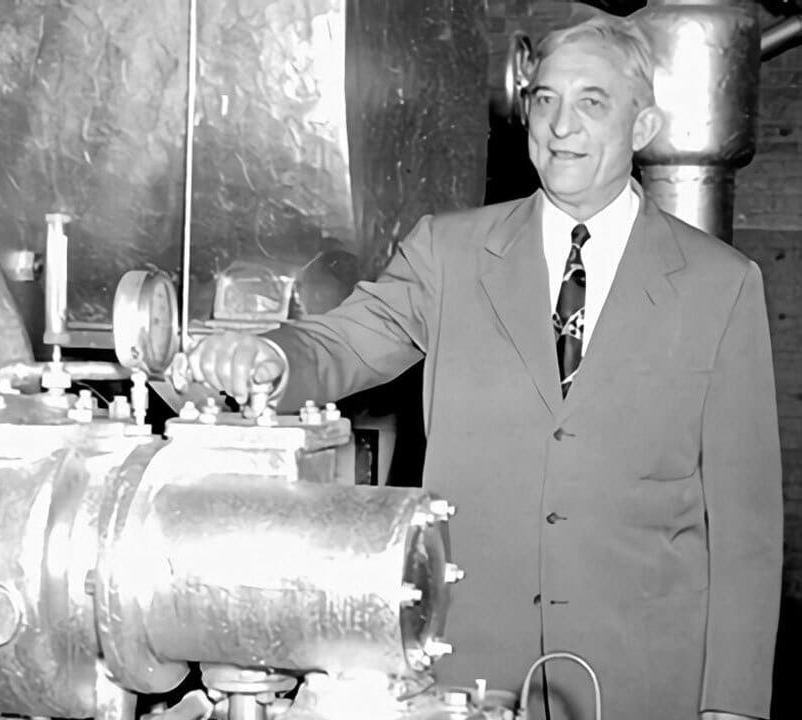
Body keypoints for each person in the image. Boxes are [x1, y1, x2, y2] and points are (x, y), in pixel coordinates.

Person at [186, 14, 781, 720]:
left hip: (644, 677)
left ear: (643, 124)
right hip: (468, 669)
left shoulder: (722, 283)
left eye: (592, 103)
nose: (560, 127)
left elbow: (745, 526)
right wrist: (276, 357)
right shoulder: (450, 253)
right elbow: (344, 341)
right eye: (545, 100)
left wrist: (733, 703)